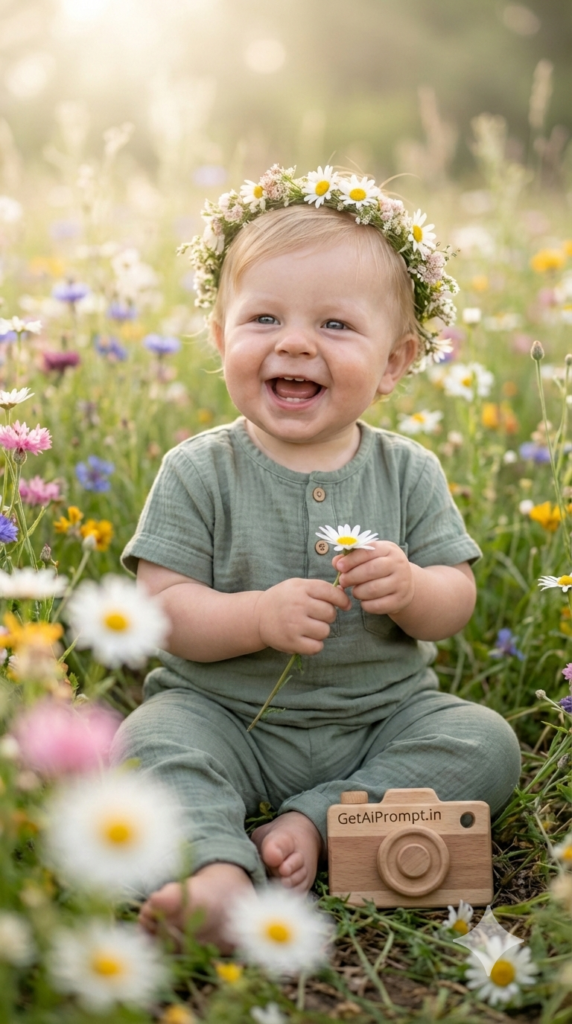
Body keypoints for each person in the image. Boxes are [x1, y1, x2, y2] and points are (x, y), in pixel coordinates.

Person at [113, 165, 521, 950]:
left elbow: (455, 599)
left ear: (396, 363)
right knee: (150, 741)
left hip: (381, 720)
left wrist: (409, 588)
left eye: (335, 326)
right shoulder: (197, 469)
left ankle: (328, 816)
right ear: (220, 337)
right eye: (264, 317)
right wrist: (256, 615)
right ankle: (219, 872)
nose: (294, 342)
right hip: (225, 716)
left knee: (484, 742)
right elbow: (163, 613)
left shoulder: (409, 471)